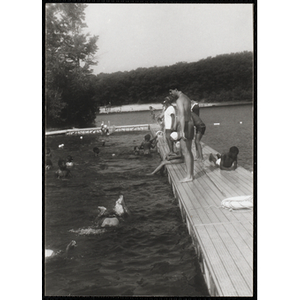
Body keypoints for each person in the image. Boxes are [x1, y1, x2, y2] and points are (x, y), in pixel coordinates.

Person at [169, 88, 197, 182]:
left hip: (185, 125)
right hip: (190, 123)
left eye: (171, 91)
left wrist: (182, 130)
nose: (170, 93)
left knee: (185, 151)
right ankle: (190, 174)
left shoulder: (179, 100)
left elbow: (182, 115)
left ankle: (189, 176)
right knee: (188, 151)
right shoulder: (187, 98)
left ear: (176, 89)